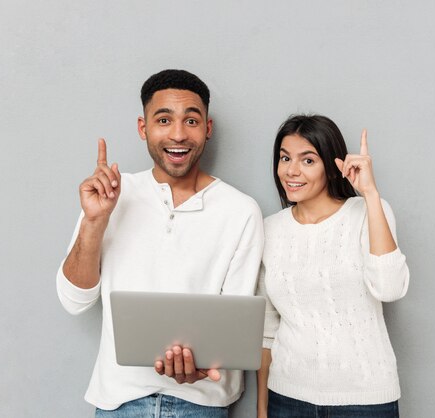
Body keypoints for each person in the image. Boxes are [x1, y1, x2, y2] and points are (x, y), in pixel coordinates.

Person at [56, 69, 264, 417]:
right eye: (164, 119)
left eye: (192, 120)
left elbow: (234, 329)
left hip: (203, 404)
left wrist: (203, 365)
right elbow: (73, 301)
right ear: (143, 128)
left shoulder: (241, 211)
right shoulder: (111, 196)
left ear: (208, 129)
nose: (178, 134)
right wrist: (94, 221)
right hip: (119, 402)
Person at [256, 115, 409, 418]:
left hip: (364, 400)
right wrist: (262, 410)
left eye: (308, 160)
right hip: (286, 398)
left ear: (331, 164)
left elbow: (389, 288)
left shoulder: (368, 212)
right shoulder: (269, 229)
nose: (291, 170)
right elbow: (267, 333)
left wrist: (371, 194)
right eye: (285, 158)